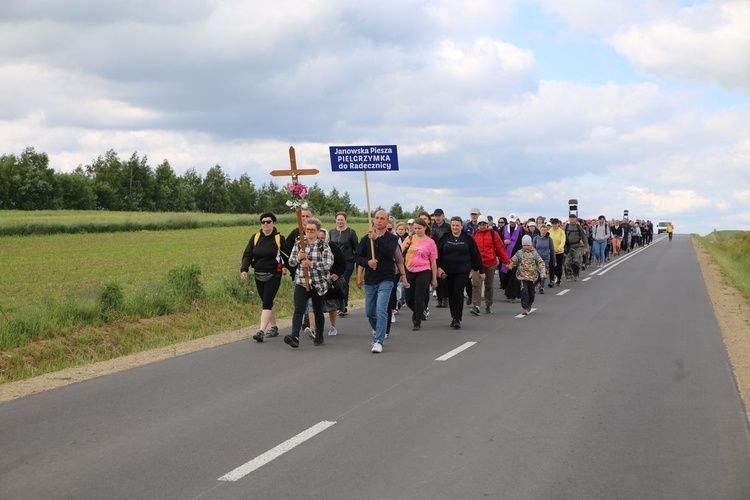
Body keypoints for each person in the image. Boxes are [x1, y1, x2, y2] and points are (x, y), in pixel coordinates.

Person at [284, 217, 334, 349]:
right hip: (301, 281)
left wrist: (311, 264)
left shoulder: (324, 246)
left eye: (312, 230)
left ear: (318, 231)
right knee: (299, 308)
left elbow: (328, 265)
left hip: (318, 283)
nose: (309, 232)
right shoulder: (299, 244)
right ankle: (294, 336)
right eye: (307, 229)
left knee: (317, 310)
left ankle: (319, 335)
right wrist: (298, 257)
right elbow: (291, 262)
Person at [355, 210, 400, 353]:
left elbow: (389, 252)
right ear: (373, 221)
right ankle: (378, 328)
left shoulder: (392, 238)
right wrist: (367, 262)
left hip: (386, 278)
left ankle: (378, 341)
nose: (379, 221)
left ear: (387, 222)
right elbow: (357, 257)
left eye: (382, 219)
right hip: (371, 279)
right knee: (369, 312)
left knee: (381, 309)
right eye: (377, 218)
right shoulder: (365, 239)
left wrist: (377, 239)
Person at [240, 212, 288, 342]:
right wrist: (244, 269)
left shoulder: (279, 239)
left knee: (266, 302)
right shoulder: (255, 237)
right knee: (267, 301)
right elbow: (248, 254)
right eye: (263, 222)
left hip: (274, 274)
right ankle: (274, 327)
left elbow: (287, 255)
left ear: (273, 223)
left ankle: (261, 331)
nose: (265, 224)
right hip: (258, 273)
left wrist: (286, 267)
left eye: (268, 222)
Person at [437, 216, 484, 329]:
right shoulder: (445, 238)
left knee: (458, 292)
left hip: (462, 270)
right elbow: (438, 254)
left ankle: (457, 318)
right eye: (453, 225)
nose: (455, 227)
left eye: (457, 225)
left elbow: (475, 254)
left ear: (462, 226)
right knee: (451, 294)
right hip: (447, 271)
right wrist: (438, 267)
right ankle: (454, 316)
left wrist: (481, 270)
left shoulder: (467, 238)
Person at [401, 218, 438, 330]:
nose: (417, 230)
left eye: (419, 228)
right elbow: (400, 253)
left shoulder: (430, 242)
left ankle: (417, 322)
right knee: (409, 299)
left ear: (425, 228)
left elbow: (433, 261)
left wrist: (434, 278)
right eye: (415, 228)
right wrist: (406, 246)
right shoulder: (410, 238)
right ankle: (418, 312)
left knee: (418, 296)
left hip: (424, 271)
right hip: (409, 270)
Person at [470, 215, 510, 315]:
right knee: (476, 285)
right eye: (480, 224)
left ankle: (488, 304)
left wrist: (507, 262)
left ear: (487, 224)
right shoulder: (474, 234)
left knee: (488, 285)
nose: (482, 226)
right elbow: (471, 250)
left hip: (490, 263)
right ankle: (476, 306)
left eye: (484, 224)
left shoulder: (493, 234)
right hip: (477, 264)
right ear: (478, 225)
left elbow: (500, 248)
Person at [329, 211, 358, 317]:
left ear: (345, 220)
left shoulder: (351, 232)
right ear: (335, 220)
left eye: (342, 219)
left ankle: (343, 306)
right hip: (334, 262)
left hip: (347, 262)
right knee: (335, 283)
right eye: (338, 219)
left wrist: (356, 261)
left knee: (344, 282)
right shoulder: (331, 232)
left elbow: (356, 248)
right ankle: (336, 304)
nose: (340, 221)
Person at [509, 235, 547, 315]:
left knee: (531, 292)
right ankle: (524, 307)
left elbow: (541, 263)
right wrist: (510, 265)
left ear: (530, 245)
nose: (526, 247)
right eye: (524, 245)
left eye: (527, 245)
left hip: (532, 277)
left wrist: (543, 273)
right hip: (522, 276)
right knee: (524, 292)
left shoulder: (534, 253)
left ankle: (530, 303)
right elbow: (513, 260)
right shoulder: (519, 253)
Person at [430, 208, 451, 308]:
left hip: (446, 253)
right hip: (435, 254)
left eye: (439, 216)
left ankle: (445, 297)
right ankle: (439, 298)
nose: (437, 218)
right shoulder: (431, 227)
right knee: (437, 276)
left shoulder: (448, 227)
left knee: (444, 277)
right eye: (436, 216)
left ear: (443, 216)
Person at [500, 215, 523, 302]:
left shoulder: (520, 230)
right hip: (505, 256)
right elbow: (498, 239)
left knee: (514, 276)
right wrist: (504, 241)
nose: (512, 223)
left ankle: (513, 295)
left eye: (513, 221)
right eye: (510, 221)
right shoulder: (504, 229)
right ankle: (508, 291)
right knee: (505, 276)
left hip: (516, 256)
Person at [533, 223, 555, 294]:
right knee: (536, 273)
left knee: (543, 273)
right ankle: (535, 285)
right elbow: (533, 249)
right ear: (540, 230)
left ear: (547, 231)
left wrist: (554, 260)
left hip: (545, 259)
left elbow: (552, 250)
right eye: (542, 230)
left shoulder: (549, 239)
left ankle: (542, 287)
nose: (543, 232)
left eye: (545, 230)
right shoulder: (536, 238)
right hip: (537, 258)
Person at [564, 214, 587, 281]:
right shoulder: (566, 227)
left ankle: (576, 274)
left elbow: (584, 237)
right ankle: (569, 275)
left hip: (577, 246)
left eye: (573, 218)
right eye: (571, 218)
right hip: (568, 247)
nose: (572, 219)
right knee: (567, 262)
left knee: (576, 261)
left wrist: (585, 246)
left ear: (576, 219)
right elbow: (562, 236)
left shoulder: (578, 227)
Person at [548, 218, 566, 287]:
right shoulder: (549, 232)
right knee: (552, 266)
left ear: (558, 224)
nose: (554, 225)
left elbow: (563, 241)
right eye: (553, 224)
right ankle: (552, 279)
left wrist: (559, 248)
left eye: (555, 224)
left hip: (559, 252)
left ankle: (559, 278)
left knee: (559, 266)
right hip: (552, 252)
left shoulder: (561, 232)